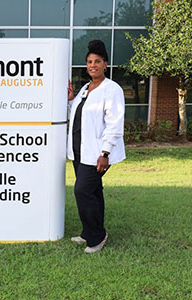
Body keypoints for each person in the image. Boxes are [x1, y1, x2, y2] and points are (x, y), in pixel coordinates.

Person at [67, 40, 126, 253]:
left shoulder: (112, 89)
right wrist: (71, 100)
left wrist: (105, 152)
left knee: (82, 190)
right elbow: (77, 117)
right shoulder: (85, 88)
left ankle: (97, 237)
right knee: (93, 191)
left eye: (97, 61)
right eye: (90, 62)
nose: (93, 65)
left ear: (105, 64)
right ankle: (88, 231)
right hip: (79, 151)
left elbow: (115, 123)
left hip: (97, 153)